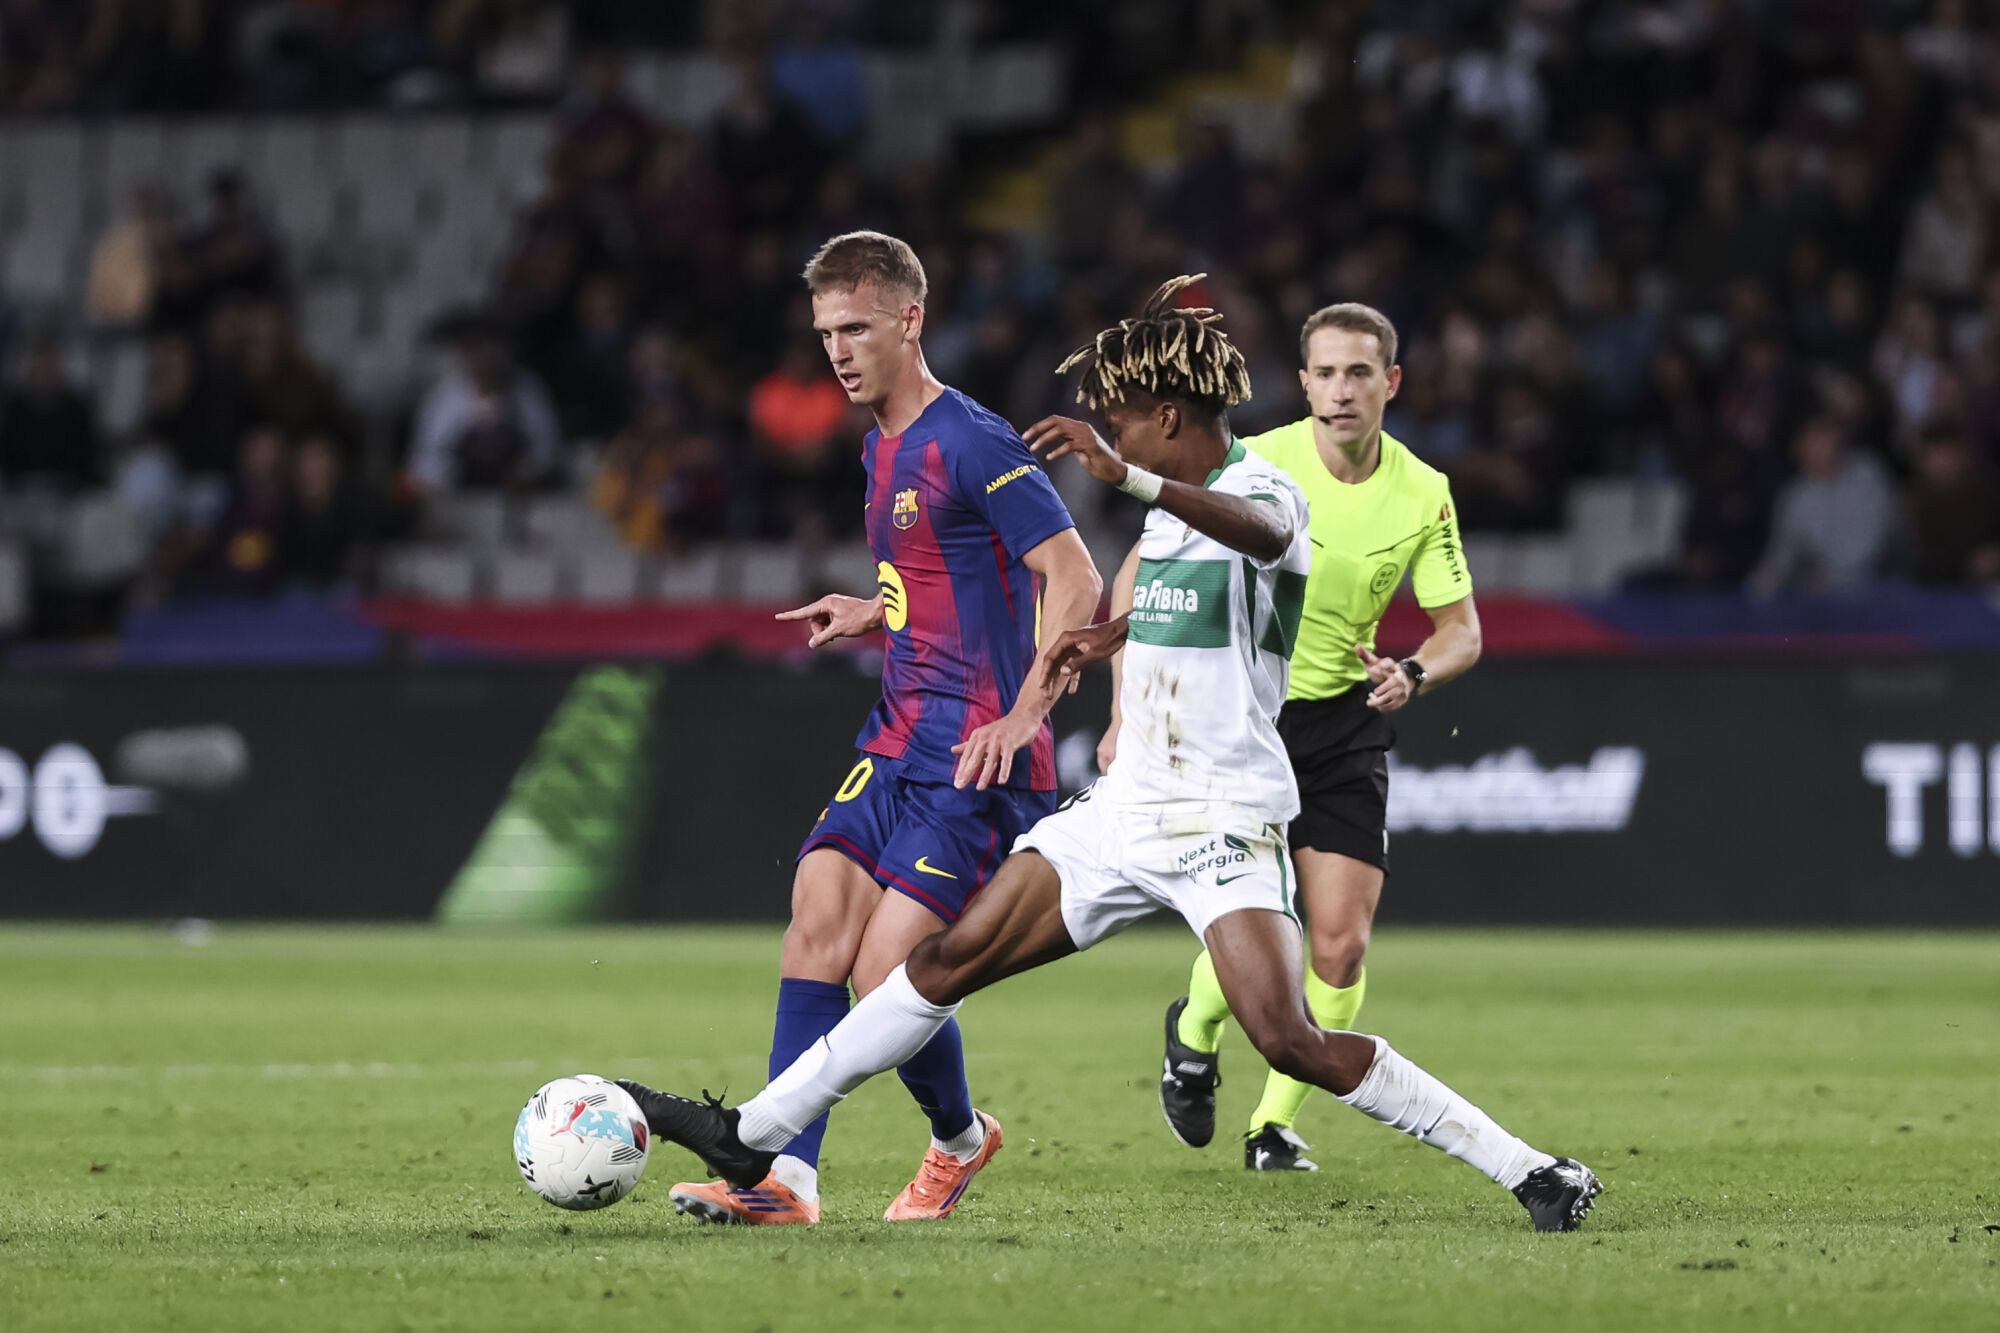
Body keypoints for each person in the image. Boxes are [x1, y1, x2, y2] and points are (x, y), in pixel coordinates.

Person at [618, 277, 1601, 1233]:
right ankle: (754, 1136)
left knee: (1287, 1039)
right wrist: (1111, 635)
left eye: (1122, 422)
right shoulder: (1172, 507)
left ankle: (1528, 1169)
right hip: (1124, 808)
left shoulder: (1265, 487)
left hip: (1220, 817)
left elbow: (1261, 540)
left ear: (1168, 420)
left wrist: (1122, 472)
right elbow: (1189, 595)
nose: (1110, 435)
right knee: (940, 960)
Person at [659, 230, 1102, 1226]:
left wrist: (1028, 708)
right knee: (814, 917)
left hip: (979, 753)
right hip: (895, 735)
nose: (838, 351)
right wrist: (875, 608)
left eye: (855, 327)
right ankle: (782, 1183)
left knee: (885, 972)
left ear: (911, 319)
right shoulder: (879, 446)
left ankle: (955, 1138)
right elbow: (943, 577)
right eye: (824, 333)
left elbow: (1071, 575)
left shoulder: (972, 438)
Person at [1123, 301, 1482, 1171]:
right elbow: (1147, 571)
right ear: (1304, 382)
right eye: (1324, 372)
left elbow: (1460, 629)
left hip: (1347, 722)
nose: (1341, 389)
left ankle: (1272, 1125)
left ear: (1390, 382)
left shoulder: (1423, 491)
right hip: (1245, 714)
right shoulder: (1255, 463)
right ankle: (1196, 1026)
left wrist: (1414, 672)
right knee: (1252, 923)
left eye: (1359, 372)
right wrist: (1118, 712)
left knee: (1341, 942)